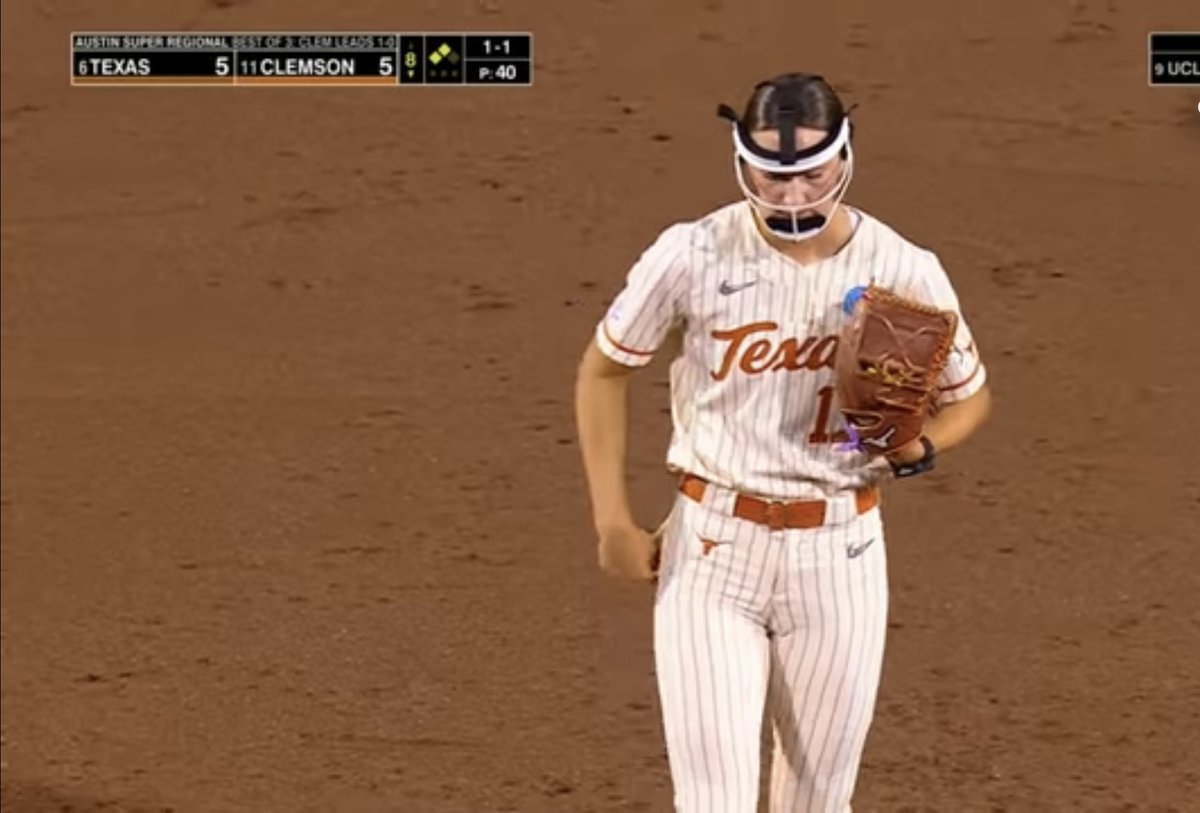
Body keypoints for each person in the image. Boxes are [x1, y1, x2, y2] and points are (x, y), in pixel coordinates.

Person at [573, 72, 993, 812]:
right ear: (743, 162)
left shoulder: (904, 267)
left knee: (818, 803)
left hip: (841, 557)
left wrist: (919, 447)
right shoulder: (692, 252)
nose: (792, 196)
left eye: (811, 175)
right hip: (711, 552)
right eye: (773, 175)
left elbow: (970, 397)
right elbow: (604, 368)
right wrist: (611, 515)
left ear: (844, 158)